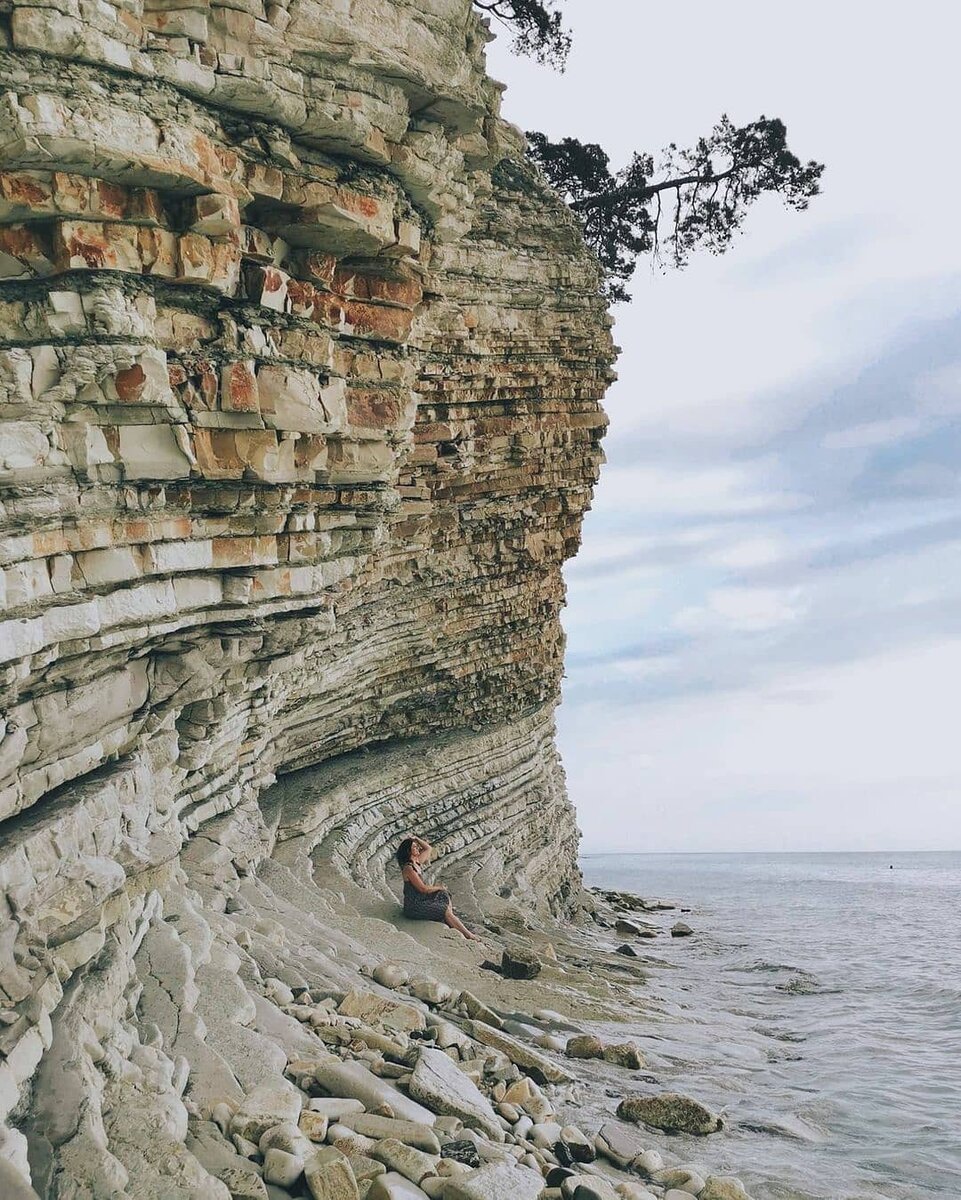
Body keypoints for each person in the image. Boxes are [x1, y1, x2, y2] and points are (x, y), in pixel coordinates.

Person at [396, 836, 480, 940]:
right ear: (408, 851)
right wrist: (439, 887)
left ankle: (450, 917)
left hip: (421, 898)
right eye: (414, 847)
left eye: (417, 846)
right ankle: (468, 935)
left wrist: (416, 839)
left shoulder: (416, 862)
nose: (418, 848)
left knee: (444, 894)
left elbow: (428, 849)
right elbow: (423, 889)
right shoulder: (408, 868)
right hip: (414, 905)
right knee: (444, 907)